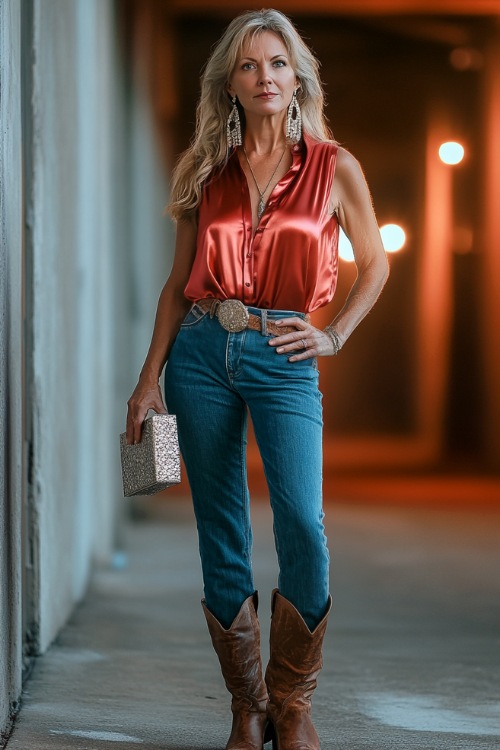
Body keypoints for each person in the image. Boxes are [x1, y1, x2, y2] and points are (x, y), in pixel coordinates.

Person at [126, 8, 388, 750]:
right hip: (203, 353)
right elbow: (178, 285)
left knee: (303, 522)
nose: (264, 76)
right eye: (248, 66)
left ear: (297, 76)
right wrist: (148, 382)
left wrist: (333, 332)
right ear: (230, 85)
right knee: (221, 529)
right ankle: (246, 706)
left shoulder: (336, 168)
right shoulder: (204, 171)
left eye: (277, 63)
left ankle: (293, 703)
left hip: (285, 354)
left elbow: (377, 263)